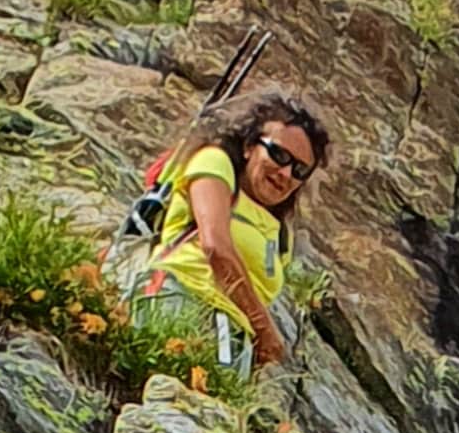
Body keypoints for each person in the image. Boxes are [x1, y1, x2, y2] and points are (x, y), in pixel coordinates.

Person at [125, 89, 330, 379]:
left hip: (230, 340)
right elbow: (216, 246)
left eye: (299, 170)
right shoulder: (214, 163)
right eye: (278, 154)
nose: (285, 173)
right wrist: (264, 330)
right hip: (180, 301)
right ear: (249, 146)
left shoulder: (279, 233)